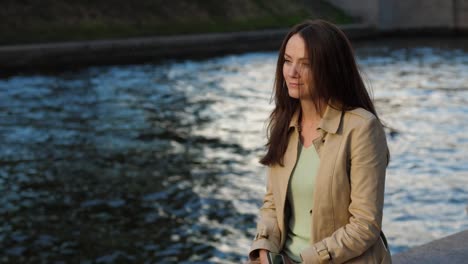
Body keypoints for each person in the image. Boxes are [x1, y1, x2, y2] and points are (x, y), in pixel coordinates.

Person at [247, 19, 392, 264]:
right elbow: (272, 202)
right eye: (287, 60)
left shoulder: (361, 128)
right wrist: (263, 248)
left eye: (305, 64)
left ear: (331, 68)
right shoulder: (284, 122)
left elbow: (365, 224)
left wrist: (307, 260)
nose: (292, 72)